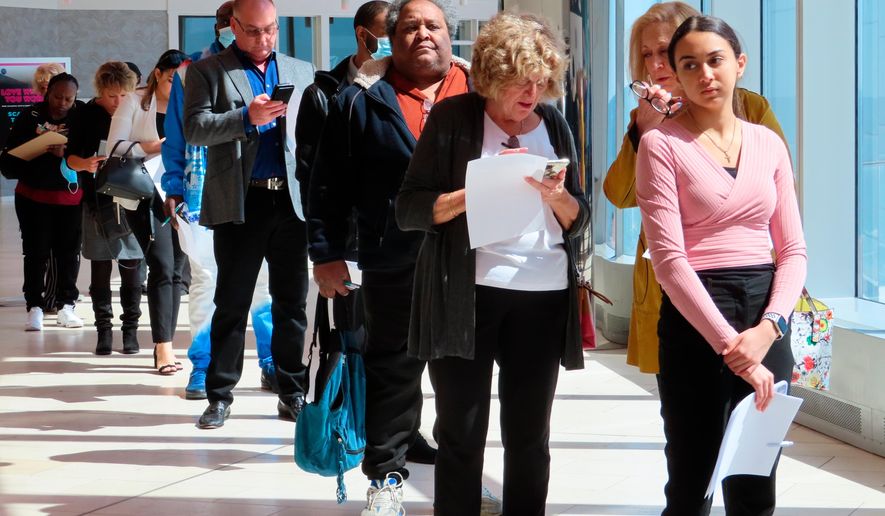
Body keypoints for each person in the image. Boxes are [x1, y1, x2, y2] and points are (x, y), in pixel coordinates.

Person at [396, 12, 588, 515]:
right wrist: (471, 194)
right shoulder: (453, 119)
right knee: (460, 433)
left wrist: (559, 198)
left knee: (530, 437)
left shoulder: (555, 125)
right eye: (521, 80)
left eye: (542, 80)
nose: (533, 92)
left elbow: (579, 216)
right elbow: (409, 207)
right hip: (467, 297)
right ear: (493, 76)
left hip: (543, 298)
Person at [635, 15, 806, 515]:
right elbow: (668, 260)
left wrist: (769, 328)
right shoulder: (660, 145)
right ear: (676, 75)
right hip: (695, 317)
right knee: (692, 481)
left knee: (755, 484)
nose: (705, 74)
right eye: (690, 65)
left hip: (765, 317)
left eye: (716, 60)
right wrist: (732, 347)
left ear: (739, 64)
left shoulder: (768, 143)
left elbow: (793, 250)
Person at [308, 0, 472, 513]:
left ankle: (464, 481)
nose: (422, 34)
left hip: (473, 259)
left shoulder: (482, 92)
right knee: (393, 370)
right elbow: (328, 183)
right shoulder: (359, 100)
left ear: (451, 34)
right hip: (392, 256)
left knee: (464, 377)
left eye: (433, 25)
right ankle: (385, 479)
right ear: (388, 37)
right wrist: (326, 252)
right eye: (410, 26)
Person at [603, 1, 786, 375]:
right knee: (685, 402)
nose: (657, 64)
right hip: (672, 279)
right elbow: (619, 196)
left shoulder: (749, 108)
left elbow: (782, 194)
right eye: (647, 55)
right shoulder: (647, 120)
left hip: (750, 278)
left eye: (665, 51)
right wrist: (642, 131)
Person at [183, 0, 315, 429]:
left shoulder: (300, 70)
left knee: (292, 303)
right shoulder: (208, 70)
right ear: (233, 27)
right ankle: (219, 394)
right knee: (232, 301)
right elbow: (196, 128)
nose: (265, 40)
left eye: (272, 30)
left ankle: (292, 390)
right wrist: (246, 117)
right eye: (255, 31)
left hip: (291, 202)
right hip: (242, 203)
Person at [163, 0, 280, 400]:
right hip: (201, 191)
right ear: (226, 26)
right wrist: (175, 186)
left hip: (261, 194)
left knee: (265, 284)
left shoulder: (271, 66)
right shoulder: (191, 71)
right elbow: (179, 134)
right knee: (207, 280)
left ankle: (270, 361)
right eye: (229, 26)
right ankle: (204, 364)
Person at [107, 49, 190, 373]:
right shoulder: (135, 101)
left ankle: (166, 340)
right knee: (161, 264)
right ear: (158, 74)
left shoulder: (188, 103)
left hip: (180, 191)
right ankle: (163, 347)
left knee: (177, 269)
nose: (177, 86)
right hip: (142, 190)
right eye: (172, 79)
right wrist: (154, 147)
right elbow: (115, 146)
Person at [66, 62, 144, 355]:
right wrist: (85, 164)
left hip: (131, 197)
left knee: (133, 265)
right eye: (112, 96)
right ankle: (104, 332)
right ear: (101, 92)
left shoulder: (137, 108)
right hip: (95, 199)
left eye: (124, 95)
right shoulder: (84, 114)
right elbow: (70, 157)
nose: (118, 102)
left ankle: (130, 331)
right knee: (100, 265)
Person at [0, 73, 84, 332]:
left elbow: (91, 149)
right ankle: (34, 306)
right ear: (48, 93)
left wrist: (66, 151)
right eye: (57, 96)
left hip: (69, 196)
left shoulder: (81, 116)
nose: (62, 103)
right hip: (32, 195)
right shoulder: (31, 115)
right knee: (35, 252)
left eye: (68, 98)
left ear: (75, 98)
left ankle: (66, 305)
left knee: (68, 253)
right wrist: (35, 147)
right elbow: (11, 152)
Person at [30, 62, 67, 315]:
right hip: (34, 187)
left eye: (50, 86)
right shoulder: (32, 113)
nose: (46, 91)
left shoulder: (75, 113)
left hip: (64, 186)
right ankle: (35, 294)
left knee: (58, 249)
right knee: (36, 247)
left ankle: (54, 296)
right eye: (42, 87)